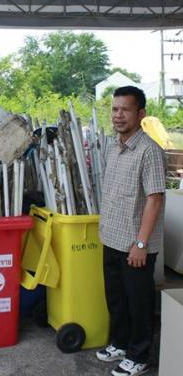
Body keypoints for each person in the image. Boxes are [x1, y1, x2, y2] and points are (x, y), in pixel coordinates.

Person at [96, 86, 166, 376]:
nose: (118, 115)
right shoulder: (113, 147)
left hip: (135, 246)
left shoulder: (149, 151)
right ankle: (121, 343)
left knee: (139, 303)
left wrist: (141, 244)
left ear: (141, 114)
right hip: (112, 237)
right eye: (115, 109)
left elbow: (155, 198)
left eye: (125, 109)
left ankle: (139, 356)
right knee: (117, 299)